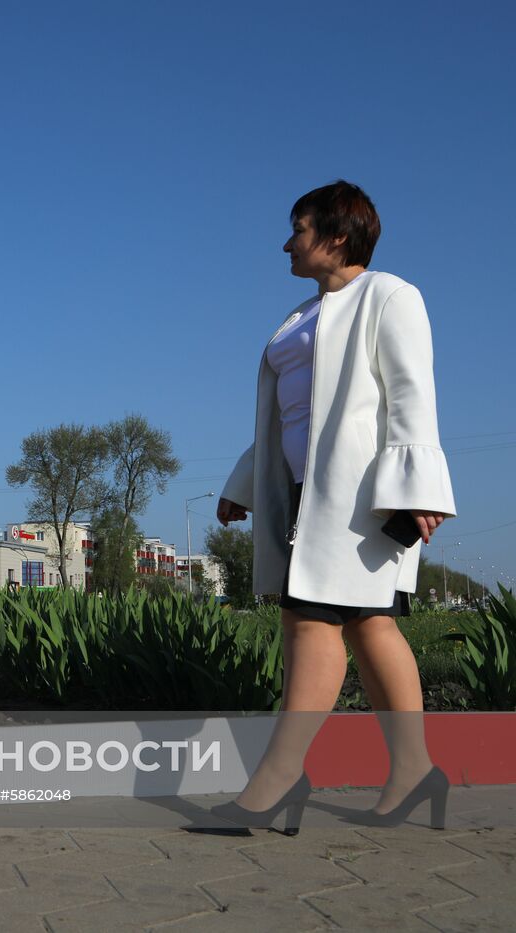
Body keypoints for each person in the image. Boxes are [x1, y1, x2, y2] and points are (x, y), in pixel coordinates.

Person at [211, 180, 456, 833]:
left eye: (299, 228)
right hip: (302, 492)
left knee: (311, 622)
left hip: (360, 497)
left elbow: (411, 394)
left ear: (337, 235)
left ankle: (278, 780)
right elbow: (288, 415)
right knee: (370, 625)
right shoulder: (301, 317)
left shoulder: (389, 296)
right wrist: (246, 480)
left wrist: (418, 487)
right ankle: (415, 770)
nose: (287, 242)